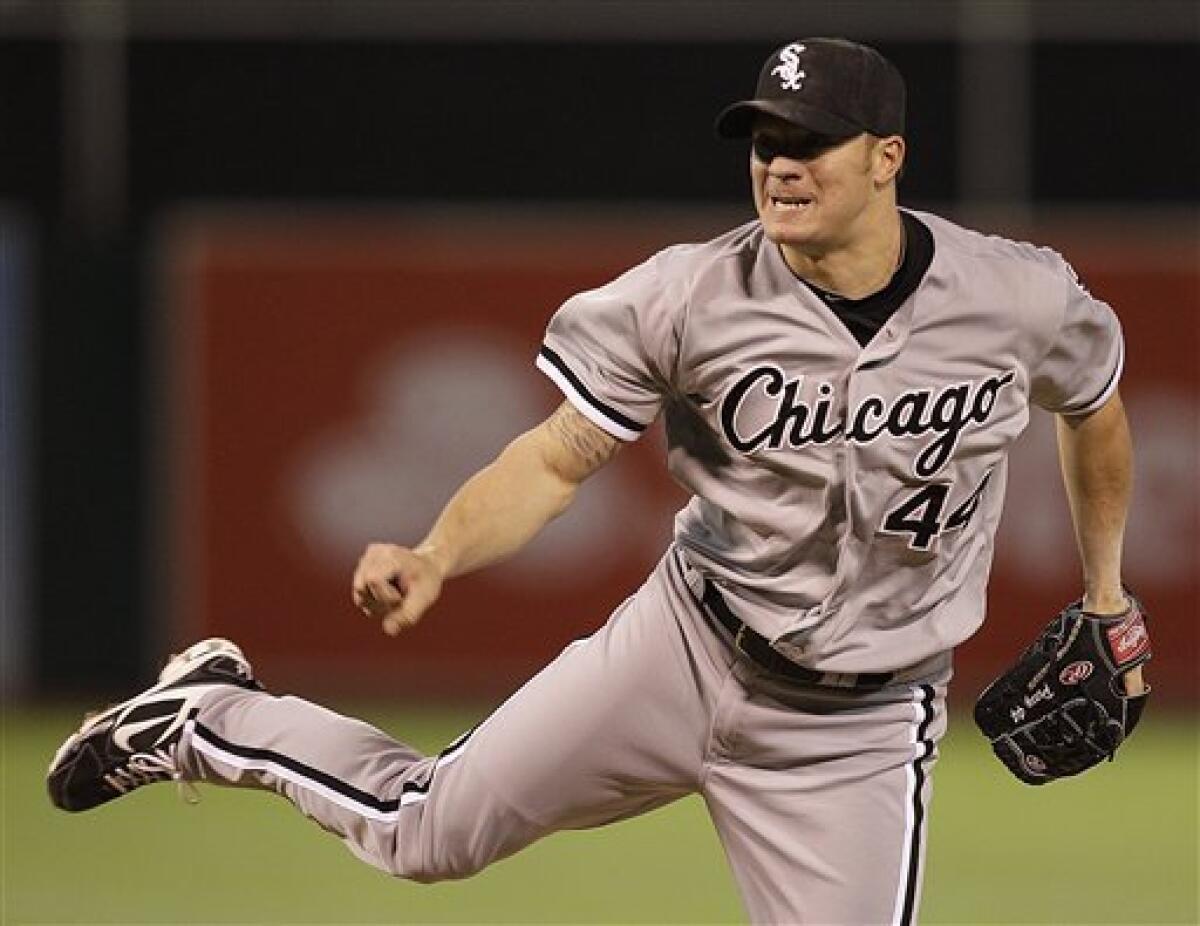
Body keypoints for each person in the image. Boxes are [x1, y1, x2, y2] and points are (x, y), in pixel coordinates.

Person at [48, 38, 1145, 924]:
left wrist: (1107, 595)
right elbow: (554, 457)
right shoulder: (687, 296)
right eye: (764, 138)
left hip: (856, 727)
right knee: (423, 832)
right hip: (688, 645)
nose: (779, 162)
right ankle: (209, 714)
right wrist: (434, 552)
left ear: (888, 156)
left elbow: (1094, 406)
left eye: (810, 140)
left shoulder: (1015, 298)